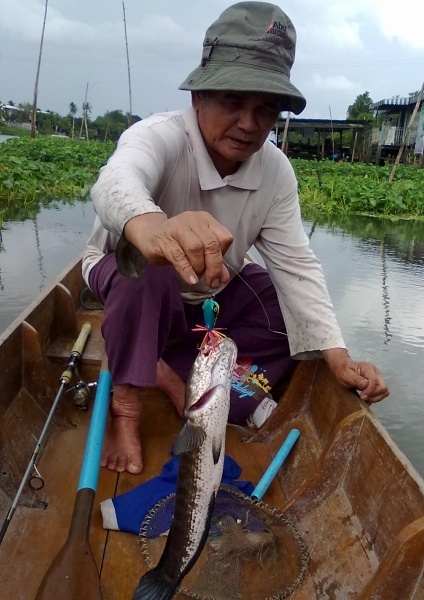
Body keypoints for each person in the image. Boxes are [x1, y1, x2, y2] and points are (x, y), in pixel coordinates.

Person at [82, 1, 389, 475]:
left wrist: (338, 355)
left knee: (291, 322)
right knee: (149, 271)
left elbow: (296, 266)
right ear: (198, 99)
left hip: (214, 287)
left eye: (264, 110)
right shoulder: (159, 136)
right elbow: (114, 184)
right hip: (131, 278)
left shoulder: (276, 171)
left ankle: (163, 365)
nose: (248, 124)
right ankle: (128, 404)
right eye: (232, 102)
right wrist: (156, 231)